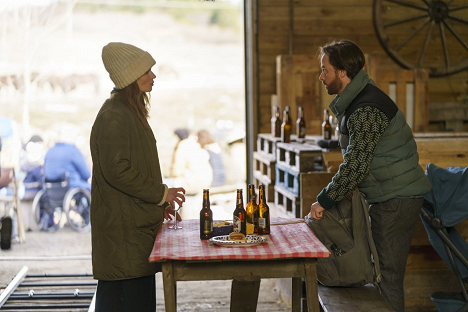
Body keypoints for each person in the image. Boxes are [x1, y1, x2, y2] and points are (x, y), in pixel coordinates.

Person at [308, 40, 432, 312]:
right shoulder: (359, 100)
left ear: (342, 72)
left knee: (387, 277)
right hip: (391, 194)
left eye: (325, 70)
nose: (321, 77)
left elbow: (355, 165)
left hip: (396, 198)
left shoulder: (366, 108)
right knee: (383, 274)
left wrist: (324, 201)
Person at [90, 42, 186, 312]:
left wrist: (159, 205)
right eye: (147, 71)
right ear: (130, 77)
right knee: (125, 300)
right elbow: (116, 170)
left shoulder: (129, 111)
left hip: (132, 226)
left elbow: (136, 169)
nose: (153, 76)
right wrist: (160, 193)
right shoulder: (114, 116)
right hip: (122, 232)